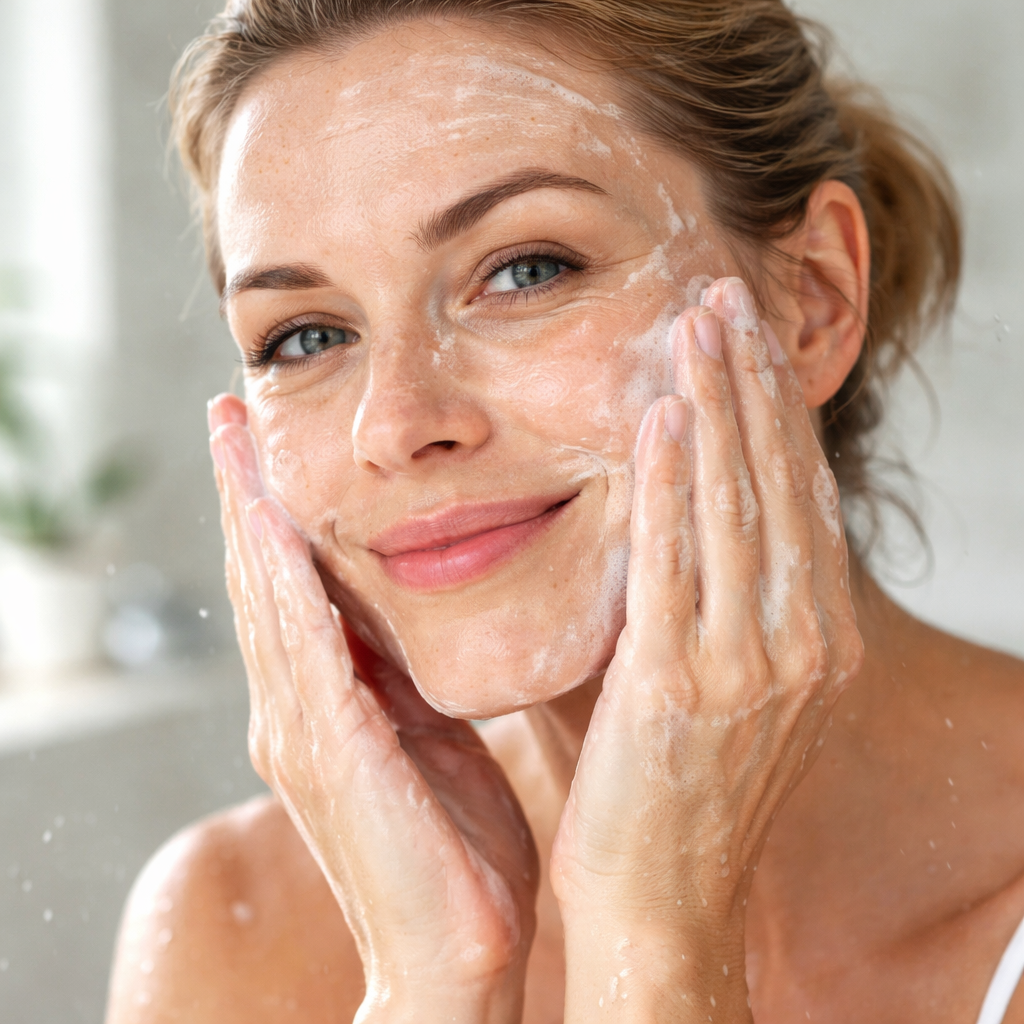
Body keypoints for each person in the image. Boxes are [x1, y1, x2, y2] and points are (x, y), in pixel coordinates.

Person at [105, 2, 1024, 1021]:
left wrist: (658, 938)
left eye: (525, 270)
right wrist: (433, 983)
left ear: (809, 298)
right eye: (305, 337)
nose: (397, 422)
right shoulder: (230, 929)